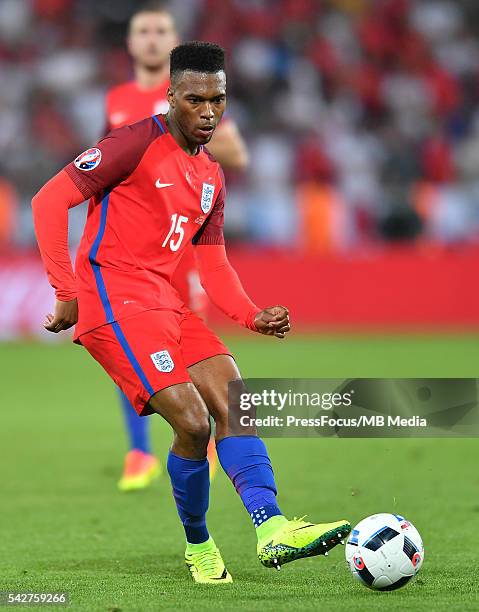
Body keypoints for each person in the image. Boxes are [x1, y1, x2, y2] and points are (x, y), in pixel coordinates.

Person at [32, 41, 350, 584]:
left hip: (165, 302)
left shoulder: (211, 178)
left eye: (218, 100)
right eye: (195, 100)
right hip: (112, 300)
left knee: (234, 401)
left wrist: (251, 316)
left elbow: (215, 266)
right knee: (193, 423)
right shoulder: (132, 144)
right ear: (171, 95)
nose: (208, 112)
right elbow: (47, 201)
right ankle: (200, 546)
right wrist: (66, 289)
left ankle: (271, 529)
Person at [105, 2, 249, 491]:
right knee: (139, 352)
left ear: (172, 42)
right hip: (134, 257)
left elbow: (234, 152)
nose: (149, 38)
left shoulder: (196, 98)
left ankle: (201, 438)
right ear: (129, 43)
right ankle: (139, 450)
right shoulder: (119, 99)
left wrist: (185, 132)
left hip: (181, 254)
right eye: (141, 31)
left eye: (159, 31)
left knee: (189, 351)